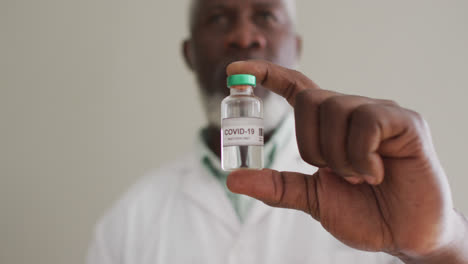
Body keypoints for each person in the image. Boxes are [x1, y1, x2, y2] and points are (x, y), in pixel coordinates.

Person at [87, 0, 468, 263]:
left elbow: (438, 251)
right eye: (218, 17)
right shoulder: (128, 221)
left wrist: (441, 248)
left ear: (296, 47)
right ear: (189, 53)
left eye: (266, 15)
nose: (244, 37)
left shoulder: (374, 184)